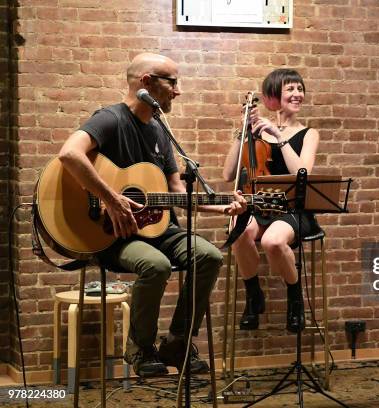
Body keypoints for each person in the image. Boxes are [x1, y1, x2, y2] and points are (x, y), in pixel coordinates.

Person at [58, 53, 247, 377]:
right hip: (114, 233)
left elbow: (176, 191)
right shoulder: (110, 119)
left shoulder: (160, 130)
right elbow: (69, 154)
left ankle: (176, 343)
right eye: (171, 82)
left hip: (161, 229)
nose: (178, 91)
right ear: (146, 82)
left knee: (209, 256)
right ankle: (140, 348)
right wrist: (111, 198)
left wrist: (223, 206)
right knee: (156, 265)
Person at [222, 68, 320, 333]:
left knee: (272, 241)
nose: (297, 94)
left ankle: (295, 296)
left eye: (300, 89)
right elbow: (228, 173)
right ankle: (254, 296)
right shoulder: (255, 131)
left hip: (292, 209)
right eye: (290, 89)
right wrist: (242, 132)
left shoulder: (308, 134)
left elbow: (302, 175)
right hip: (260, 207)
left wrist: (279, 138)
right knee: (238, 229)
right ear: (273, 96)